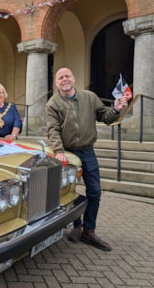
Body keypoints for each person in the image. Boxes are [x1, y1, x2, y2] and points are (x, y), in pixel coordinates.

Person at [45, 67, 128, 251]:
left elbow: (105, 117)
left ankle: (89, 231)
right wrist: (58, 150)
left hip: (87, 151)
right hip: (67, 153)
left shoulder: (89, 97)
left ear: (73, 78)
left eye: (67, 76)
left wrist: (115, 109)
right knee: (68, 191)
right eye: (60, 77)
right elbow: (53, 129)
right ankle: (77, 225)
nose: (64, 79)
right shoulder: (53, 103)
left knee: (95, 191)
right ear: (56, 82)